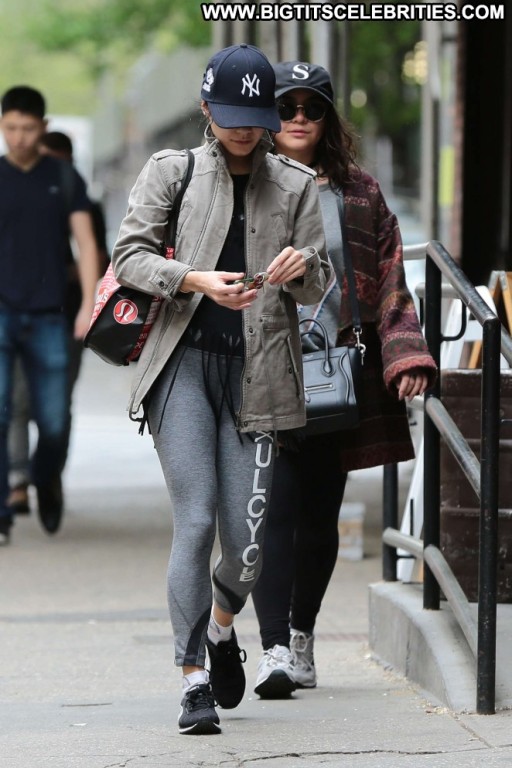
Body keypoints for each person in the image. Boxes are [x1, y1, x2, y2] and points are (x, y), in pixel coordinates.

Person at [111, 44, 330, 735]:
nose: (241, 130)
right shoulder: (171, 171)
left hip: (258, 379)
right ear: (206, 108)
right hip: (181, 368)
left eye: (253, 118)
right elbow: (129, 256)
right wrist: (194, 279)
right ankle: (192, 680)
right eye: (228, 115)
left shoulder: (296, 184)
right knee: (197, 519)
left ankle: (221, 628)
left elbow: (319, 284)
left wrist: (300, 269)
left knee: (246, 545)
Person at [250, 61, 437, 698]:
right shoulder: (247, 181)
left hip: (335, 371)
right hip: (263, 367)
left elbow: (391, 278)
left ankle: (301, 636)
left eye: (313, 108)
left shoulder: (360, 191)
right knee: (271, 507)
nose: (299, 118)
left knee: (318, 512)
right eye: (286, 107)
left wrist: (404, 354)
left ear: (329, 118)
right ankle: (274, 648)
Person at [0, 87, 99, 544]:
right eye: (10, 128)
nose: (18, 137)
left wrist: (88, 305)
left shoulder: (63, 177)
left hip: (51, 316)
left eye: (27, 128)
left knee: (55, 420)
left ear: (42, 127)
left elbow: (87, 246)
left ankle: (45, 476)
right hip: (2, 312)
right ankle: (3, 507)